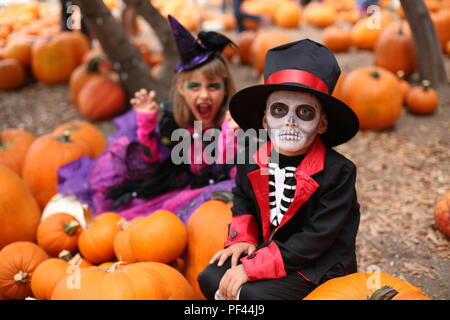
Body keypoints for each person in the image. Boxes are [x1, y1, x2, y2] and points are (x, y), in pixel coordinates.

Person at [198, 39, 361, 300]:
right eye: (279, 110)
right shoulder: (251, 159)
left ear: (321, 123)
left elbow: (316, 239)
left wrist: (251, 268)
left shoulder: (338, 173)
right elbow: (243, 202)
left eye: (305, 112)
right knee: (209, 278)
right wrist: (242, 239)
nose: (290, 122)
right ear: (265, 119)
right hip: (265, 251)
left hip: (315, 266)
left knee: (250, 295)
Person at [58, 15, 238, 223]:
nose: (204, 95)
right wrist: (146, 126)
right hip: (182, 187)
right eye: (195, 86)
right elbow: (151, 162)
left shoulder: (234, 124)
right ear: (181, 88)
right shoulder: (175, 123)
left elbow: (234, 172)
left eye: (213, 86)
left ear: (225, 90)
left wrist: (230, 136)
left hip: (217, 194)